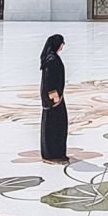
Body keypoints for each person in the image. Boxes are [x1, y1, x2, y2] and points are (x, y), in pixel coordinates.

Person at [39, 33, 69, 164]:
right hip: (54, 99)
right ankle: (53, 152)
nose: (62, 46)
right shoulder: (52, 60)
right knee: (56, 124)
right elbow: (48, 81)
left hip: (54, 98)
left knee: (54, 124)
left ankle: (53, 151)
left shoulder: (51, 58)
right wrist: (54, 96)